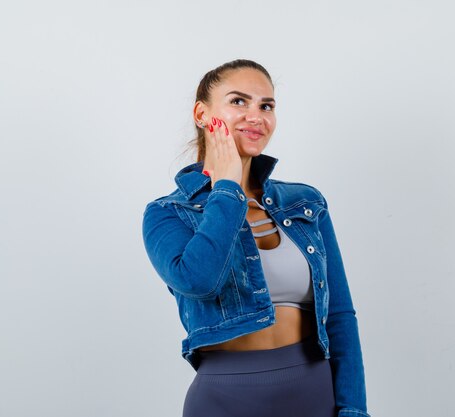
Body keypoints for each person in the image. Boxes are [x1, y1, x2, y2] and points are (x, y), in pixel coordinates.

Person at [142, 59, 369, 417]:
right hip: (224, 400)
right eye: (238, 102)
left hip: (314, 393)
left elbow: (340, 315)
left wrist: (354, 408)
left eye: (266, 105)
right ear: (202, 114)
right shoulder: (167, 213)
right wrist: (227, 188)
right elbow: (200, 281)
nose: (256, 116)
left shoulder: (305, 202)